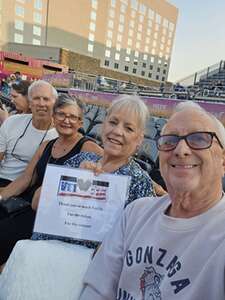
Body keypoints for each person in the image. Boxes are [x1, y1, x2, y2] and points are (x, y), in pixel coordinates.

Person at [0, 95, 156, 299]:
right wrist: (75, 179)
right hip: (41, 255)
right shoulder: (81, 159)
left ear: (139, 139)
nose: (117, 131)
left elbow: (137, 245)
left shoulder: (139, 181)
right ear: (103, 125)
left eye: (128, 128)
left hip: (87, 269)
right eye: (113, 122)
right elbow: (38, 203)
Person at [79, 101, 225, 300]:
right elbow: (97, 290)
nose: (181, 150)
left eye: (199, 139)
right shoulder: (135, 213)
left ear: (223, 160)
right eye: (170, 140)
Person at [0, 94, 103, 265]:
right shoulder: (46, 145)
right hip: (31, 204)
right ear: (54, 118)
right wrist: (2, 196)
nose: (66, 120)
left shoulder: (88, 147)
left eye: (72, 117)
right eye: (61, 114)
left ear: (80, 122)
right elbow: (26, 178)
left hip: (56, 215)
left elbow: (117, 162)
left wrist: (157, 188)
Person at [0, 80, 58, 188]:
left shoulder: (59, 136)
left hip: (29, 188)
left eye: (46, 99)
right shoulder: (12, 122)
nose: (41, 104)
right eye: (36, 98)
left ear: (55, 103)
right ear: (30, 103)